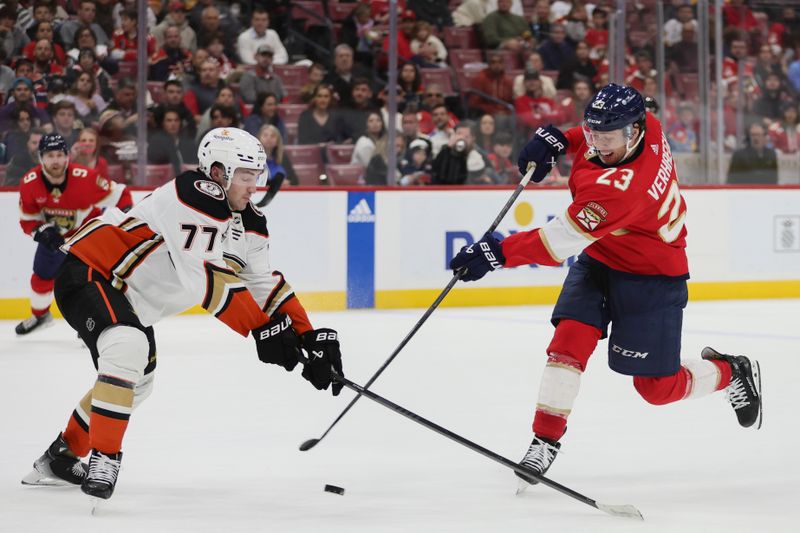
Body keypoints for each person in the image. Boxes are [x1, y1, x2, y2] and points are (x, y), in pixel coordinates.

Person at [449, 84, 763, 490]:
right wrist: (562, 138)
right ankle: (545, 440)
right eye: (592, 131)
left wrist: (497, 253)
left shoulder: (623, 191)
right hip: (601, 260)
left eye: (605, 137)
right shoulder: (646, 122)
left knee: (657, 389)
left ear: (632, 133)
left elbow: (554, 242)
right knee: (567, 344)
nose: (596, 143)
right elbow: (596, 131)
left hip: (652, 277)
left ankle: (730, 372)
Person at [22, 127, 345, 501]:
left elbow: (266, 285)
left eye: (257, 176)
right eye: (245, 175)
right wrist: (263, 330)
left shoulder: (251, 222)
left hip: (131, 300)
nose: (253, 185)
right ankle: (105, 457)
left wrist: (308, 336)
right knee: (127, 346)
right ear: (219, 171)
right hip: (92, 271)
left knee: (137, 383)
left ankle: (60, 456)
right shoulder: (194, 193)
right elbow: (203, 280)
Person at [15, 133, 132, 335]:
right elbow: (27, 219)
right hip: (54, 240)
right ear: (41, 157)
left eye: (60, 155)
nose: (56, 161)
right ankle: (41, 316)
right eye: (50, 155)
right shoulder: (29, 183)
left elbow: (122, 195)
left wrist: (124, 222)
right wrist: (41, 231)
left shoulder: (87, 178)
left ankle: (94, 318)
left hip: (86, 239)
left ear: (68, 156)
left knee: (92, 282)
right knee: (41, 277)